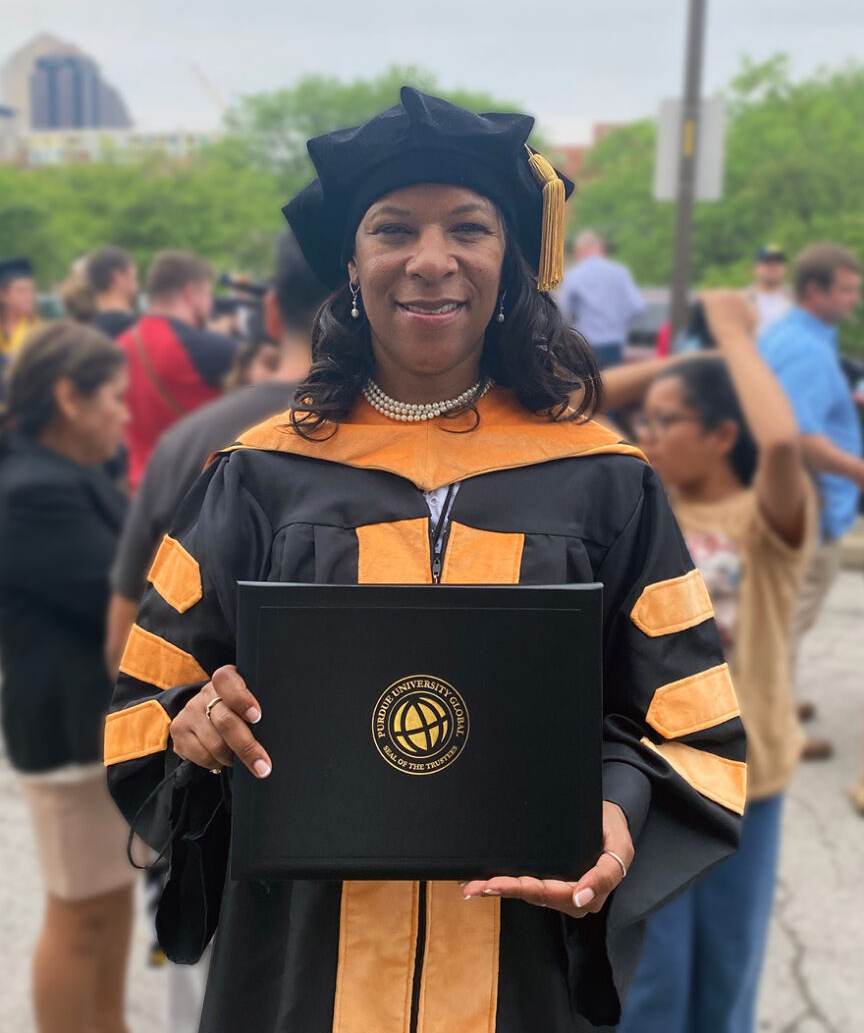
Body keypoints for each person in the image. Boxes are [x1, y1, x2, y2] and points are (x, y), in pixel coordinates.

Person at [105, 88, 744, 1033]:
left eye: (470, 229)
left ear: (513, 261)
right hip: (301, 975)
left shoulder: (604, 483)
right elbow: (143, 715)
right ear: (352, 264)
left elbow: (683, 726)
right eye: (393, 228)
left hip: (518, 971)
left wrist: (616, 813)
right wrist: (194, 728)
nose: (432, 260)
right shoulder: (262, 477)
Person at [102, 229, 328, 1033]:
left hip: (217, 822)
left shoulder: (195, 443)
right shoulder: (456, 462)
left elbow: (127, 640)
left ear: (270, 310)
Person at [618, 291, 814, 1033]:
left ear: (723, 431)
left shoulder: (769, 522)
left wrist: (739, 342)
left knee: (727, 972)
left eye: (670, 422)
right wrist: (695, 355)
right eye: (651, 420)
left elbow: (786, 447)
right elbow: (580, 398)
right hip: (661, 776)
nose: (650, 432)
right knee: (653, 978)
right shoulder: (647, 503)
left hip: (748, 779)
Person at [0, 322, 135, 1033]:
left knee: (109, 909)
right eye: (114, 396)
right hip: (67, 729)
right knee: (79, 916)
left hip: (95, 727)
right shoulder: (31, 492)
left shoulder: (66, 475)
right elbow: (117, 593)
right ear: (67, 398)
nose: (126, 413)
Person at [761, 242, 863, 760]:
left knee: (783, 618)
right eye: (846, 289)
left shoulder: (797, 338)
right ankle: (772, 729)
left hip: (794, 501)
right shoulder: (803, 347)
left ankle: (776, 704)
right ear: (816, 290)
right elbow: (801, 437)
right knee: (785, 621)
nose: (855, 299)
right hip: (804, 502)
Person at [116, 250, 236, 495]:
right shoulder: (208, 347)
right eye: (207, 294)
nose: (210, 304)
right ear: (191, 293)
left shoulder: (120, 345)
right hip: (195, 492)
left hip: (139, 493)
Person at [557, 230, 645, 368]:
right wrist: (618, 326)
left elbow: (564, 312)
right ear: (601, 248)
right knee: (612, 387)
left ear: (579, 251)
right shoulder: (619, 272)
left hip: (585, 344)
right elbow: (636, 306)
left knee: (588, 387)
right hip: (613, 343)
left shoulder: (574, 275)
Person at [85, 246, 140, 339]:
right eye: (134, 278)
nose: (137, 286)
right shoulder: (138, 332)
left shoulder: (87, 337)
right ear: (117, 278)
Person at [746, 244, 792, 336]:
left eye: (778, 262)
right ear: (755, 268)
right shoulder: (742, 300)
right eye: (767, 263)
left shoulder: (798, 299)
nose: (773, 267)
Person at [0, 257, 39, 356]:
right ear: (3, 295)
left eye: (31, 290)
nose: (29, 296)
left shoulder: (38, 330)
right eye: (21, 290)